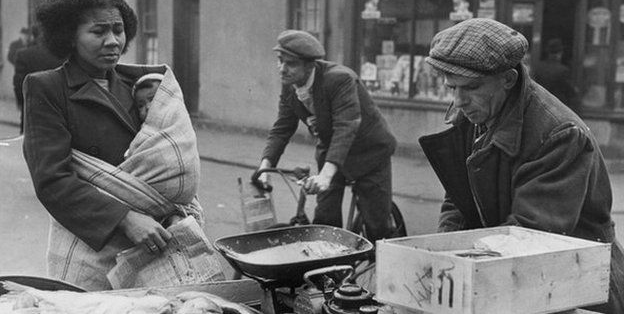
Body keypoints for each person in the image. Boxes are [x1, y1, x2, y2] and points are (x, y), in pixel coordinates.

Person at [22, 0, 222, 291]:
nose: (113, 40)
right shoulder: (48, 88)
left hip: (156, 239)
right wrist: (124, 219)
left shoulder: (140, 86)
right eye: (99, 31)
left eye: (118, 29)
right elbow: (52, 180)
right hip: (93, 244)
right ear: (69, 37)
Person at [418, 18, 624, 313]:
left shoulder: (559, 135)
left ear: (508, 79)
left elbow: (530, 234)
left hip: (574, 286)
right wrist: (443, 256)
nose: (459, 100)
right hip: (509, 274)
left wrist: (460, 267)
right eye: (451, 87)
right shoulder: (474, 114)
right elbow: (459, 196)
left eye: (472, 87)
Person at [258, 30, 397, 242]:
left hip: (369, 152)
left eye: (290, 63)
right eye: (280, 61)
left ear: (310, 65)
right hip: (332, 151)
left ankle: (388, 266)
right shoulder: (290, 85)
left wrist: (325, 175)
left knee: (378, 227)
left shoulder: (340, 79)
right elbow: (282, 128)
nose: (282, 69)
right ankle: (332, 270)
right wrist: (265, 167)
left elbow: (346, 125)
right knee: (324, 221)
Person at [13, 24, 64, 134]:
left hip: (31, 108)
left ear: (34, 35)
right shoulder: (62, 55)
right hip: (59, 109)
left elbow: (18, 83)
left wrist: (22, 103)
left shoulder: (24, 55)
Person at [531, 38, 580, 113]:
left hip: (540, 107)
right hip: (557, 108)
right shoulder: (563, 70)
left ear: (548, 53)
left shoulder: (539, 67)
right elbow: (570, 92)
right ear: (559, 54)